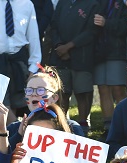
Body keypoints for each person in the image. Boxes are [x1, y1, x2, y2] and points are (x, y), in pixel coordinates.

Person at [46, 0, 97, 130]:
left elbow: (92, 31)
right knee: (62, 93)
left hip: (82, 55)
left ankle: (84, 124)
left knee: (82, 92)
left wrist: (69, 47)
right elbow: (54, 26)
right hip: (60, 56)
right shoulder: (63, 2)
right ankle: (62, 123)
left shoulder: (93, 4)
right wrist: (59, 46)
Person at [92, 0, 127, 136]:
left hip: (117, 51)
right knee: (103, 88)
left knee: (118, 89)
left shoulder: (126, 2)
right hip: (98, 51)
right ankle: (108, 127)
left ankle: (124, 125)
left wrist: (106, 23)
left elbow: (126, 26)